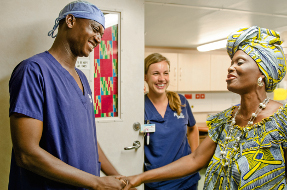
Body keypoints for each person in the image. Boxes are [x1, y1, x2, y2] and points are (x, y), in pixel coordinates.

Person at [118, 26, 287, 190]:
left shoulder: (282, 120)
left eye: (240, 62)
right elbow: (194, 159)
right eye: (231, 62)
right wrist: (138, 177)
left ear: (262, 72)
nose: (230, 67)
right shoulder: (225, 121)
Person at [8, 1, 128, 189]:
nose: (98, 38)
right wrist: (96, 183)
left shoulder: (82, 79)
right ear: (70, 21)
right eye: (95, 29)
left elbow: (89, 140)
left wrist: (120, 179)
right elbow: (26, 154)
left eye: (101, 34)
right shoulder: (34, 71)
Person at [143, 53, 200, 190]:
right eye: (156, 73)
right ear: (145, 77)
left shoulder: (180, 101)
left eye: (166, 73)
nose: (162, 79)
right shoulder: (140, 106)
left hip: (187, 179)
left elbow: (192, 128)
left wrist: (194, 156)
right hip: (157, 181)